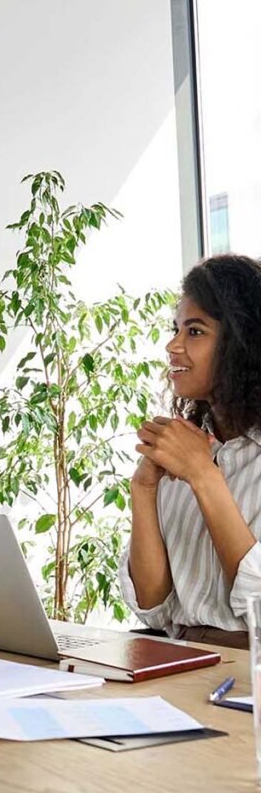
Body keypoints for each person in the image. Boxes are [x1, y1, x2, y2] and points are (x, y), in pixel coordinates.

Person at [119, 254, 261, 649]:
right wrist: (144, 489)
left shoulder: (197, 462)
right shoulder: (184, 447)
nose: (173, 345)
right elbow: (153, 607)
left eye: (194, 332)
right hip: (180, 656)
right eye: (175, 329)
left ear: (242, 343)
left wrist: (204, 476)